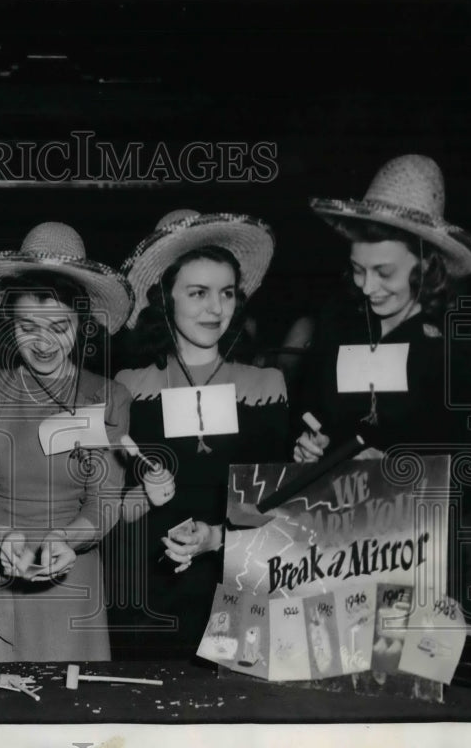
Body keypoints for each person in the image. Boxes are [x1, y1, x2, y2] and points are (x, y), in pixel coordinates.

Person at [110, 208, 288, 660]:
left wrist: (215, 538)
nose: (216, 308)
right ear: (165, 298)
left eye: (226, 293)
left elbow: (282, 523)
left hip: (237, 594)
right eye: (198, 293)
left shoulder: (266, 388)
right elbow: (108, 510)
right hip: (143, 601)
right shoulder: (127, 388)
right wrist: (143, 497)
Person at [0, 222, 134, 662]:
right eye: (27, 326)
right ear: (9, 323)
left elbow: (104, 502)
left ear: (82, 324)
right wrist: (4, 538)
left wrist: (64, 539)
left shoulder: (108, 396)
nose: (43, 342)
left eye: (59, 326)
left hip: (71, 584)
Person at [294, 154, 471, 463]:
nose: (367, 287)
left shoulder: (455, 346)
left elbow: (469, 469)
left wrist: (396, 470)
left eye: (384, 273)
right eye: (358, 270)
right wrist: (308, 445)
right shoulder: (336, 322)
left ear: (425, 263)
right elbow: (307, 413)